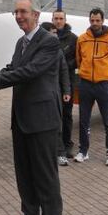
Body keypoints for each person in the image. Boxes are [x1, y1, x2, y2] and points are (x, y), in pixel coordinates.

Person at [0, 0, 63, 215]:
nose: (18, 17)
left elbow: (30, 72)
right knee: (24, 172)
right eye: (16, 12)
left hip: (43, 119)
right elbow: (13, 67)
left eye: (23, 12)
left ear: (36, 15)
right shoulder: (20, 43)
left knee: (45, 174)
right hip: (22, 118)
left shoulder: (48, 42)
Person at [74, 8, 108, 166]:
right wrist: (85, 74)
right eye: (92, 20)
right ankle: (83, 151)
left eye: (97, 20)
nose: (95, 23)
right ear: (89, 20)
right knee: (83, 120)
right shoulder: (82, 39)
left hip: (103, 84)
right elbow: (79, 59)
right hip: (86, 84)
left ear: (102, 21)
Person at [40, 22, 71, 166]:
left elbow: (64, 71)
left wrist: (66, 91)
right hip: (39, 95)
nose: (56, 35)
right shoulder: (36, 50)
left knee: (57, 124)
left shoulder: (57, 51)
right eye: (53, 33)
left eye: (56, 33)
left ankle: (61, 153)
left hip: (55, 94)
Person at [52, 9, 78, 159]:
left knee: (67, 115)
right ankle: (55, 145)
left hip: (67, 82)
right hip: (52, 82)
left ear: (65, 20)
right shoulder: (48, 36)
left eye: (61, 18)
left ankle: (67, 144)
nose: (58, 21)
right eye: (56, 18)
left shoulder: (73, 39)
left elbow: (78, 59)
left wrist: (64, 64)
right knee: (53, 115)